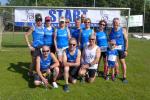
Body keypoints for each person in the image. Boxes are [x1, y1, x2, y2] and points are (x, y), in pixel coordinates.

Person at [109, 17, 128, 83]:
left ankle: (124, 77)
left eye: (116, 22)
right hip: (113, 49)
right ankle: (116, 73)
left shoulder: (123, 30)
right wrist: (110, 43)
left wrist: (125, 50)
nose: (115, 24)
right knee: (115, 62)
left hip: (121, 49)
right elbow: (109, 39)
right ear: (113, 23)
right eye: (114, 22)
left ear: (119, 23)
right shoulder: (111, 30)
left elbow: (126, 40)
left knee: (122, 62)